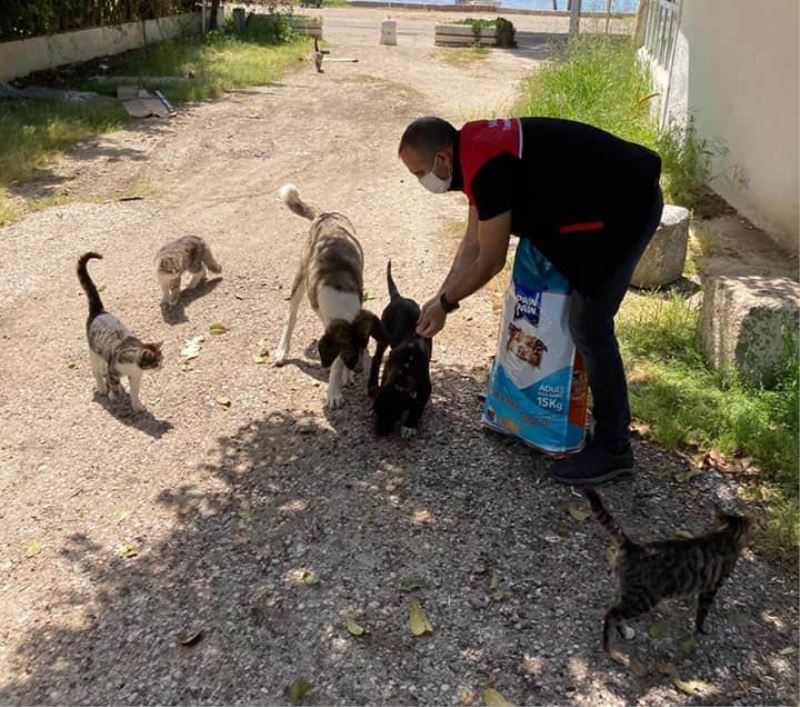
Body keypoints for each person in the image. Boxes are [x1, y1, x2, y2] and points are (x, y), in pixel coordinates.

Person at [398, 116, 664, 485]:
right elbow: (472, 244)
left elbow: (490, 261)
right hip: (596, 200)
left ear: (443, 159)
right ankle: (558, 416)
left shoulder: (487, 167)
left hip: (627, 205)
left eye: (419, 172)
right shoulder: (474, 148)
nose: (420, 181)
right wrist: (439, 298)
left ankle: (613, 448)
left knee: (589, 324)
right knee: (578, 316)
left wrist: (446, 304)